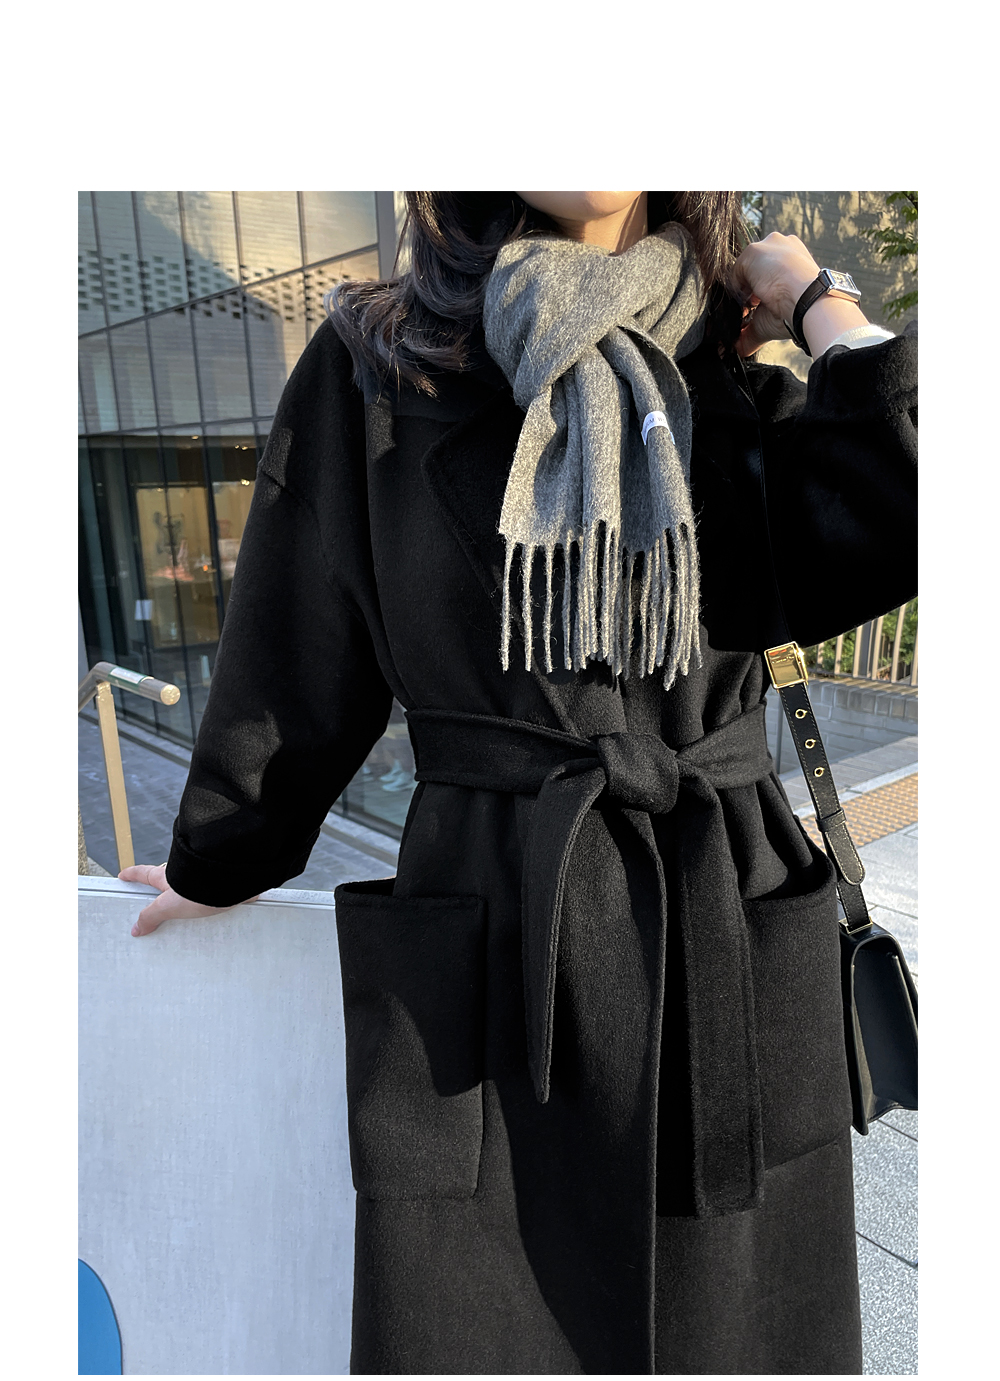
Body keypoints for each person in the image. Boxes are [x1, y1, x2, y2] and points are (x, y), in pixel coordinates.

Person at [121, 191, 917, 1375]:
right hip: (491, 938)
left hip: (724, 931)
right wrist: (218, 859)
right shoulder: (379, 358)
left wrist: (815, 296)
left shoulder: (726, 357)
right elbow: (295, 645)